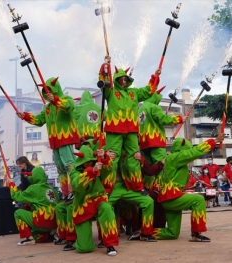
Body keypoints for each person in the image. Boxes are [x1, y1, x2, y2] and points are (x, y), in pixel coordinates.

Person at [98, 55, 161, 194]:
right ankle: (106, 189)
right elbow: (103, 82)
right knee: (111, 158)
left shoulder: (134, 92)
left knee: (135, 158)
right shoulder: (111, 92)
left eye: (126, 79)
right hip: (114, 130)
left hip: (131, 131)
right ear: (116, 79)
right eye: (121, 79)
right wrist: (105, 66)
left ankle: (138, 187)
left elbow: (148, 91)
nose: (124, 81)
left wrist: (154, 77)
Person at [16, 77, 80, 204]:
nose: (48, 93)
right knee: (60, 169)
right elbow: (39, 120)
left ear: (56, 89)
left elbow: (68, 107)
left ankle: (75, 191)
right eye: (46, 91)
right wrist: (26, 116)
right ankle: (66, 194)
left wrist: (56, 100)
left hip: (65, 139)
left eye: (50, 90)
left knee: (70, 166)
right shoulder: (47, 108)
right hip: (54, 142)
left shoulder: (67, 99)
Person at [152, 133, 225, 242]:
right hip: (171, 197)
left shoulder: (170, 159)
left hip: (168, 197)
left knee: (173, 233)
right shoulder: (175, 157)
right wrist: (215, 141)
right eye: (187, 148)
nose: (188, 151)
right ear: (182, 147)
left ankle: (145, 232)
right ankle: (196, 233)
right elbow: (193, 152)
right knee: (198, 200)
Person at [70, 145, 119, 256]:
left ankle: (110, 244)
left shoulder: (97, 165)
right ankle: (79, 241)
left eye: (90, 161)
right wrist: (92, 171)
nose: (88, 163)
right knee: (85, 248)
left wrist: (105, 157)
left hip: (98, 199)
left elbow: (108, 171)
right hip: (82, 205)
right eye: (85, 161)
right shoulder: (74, 171)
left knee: (107, 209)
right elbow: (76, 185)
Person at [8, 166, 59, 245]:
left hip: (41, 221)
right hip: (53, 223)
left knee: (18, 213)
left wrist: (11, 184)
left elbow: (16, 196)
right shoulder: (51, 189)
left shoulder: (33, 188)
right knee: (34, 234)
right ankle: (50, 235)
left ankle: (28, 239)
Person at [138, 86, 187, 164]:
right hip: (156, 141)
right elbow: (164, 119)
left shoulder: (140, 109)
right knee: (161, 165)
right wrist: (179, 119)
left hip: (144, 143)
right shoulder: (153, 107)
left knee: (149, 168)